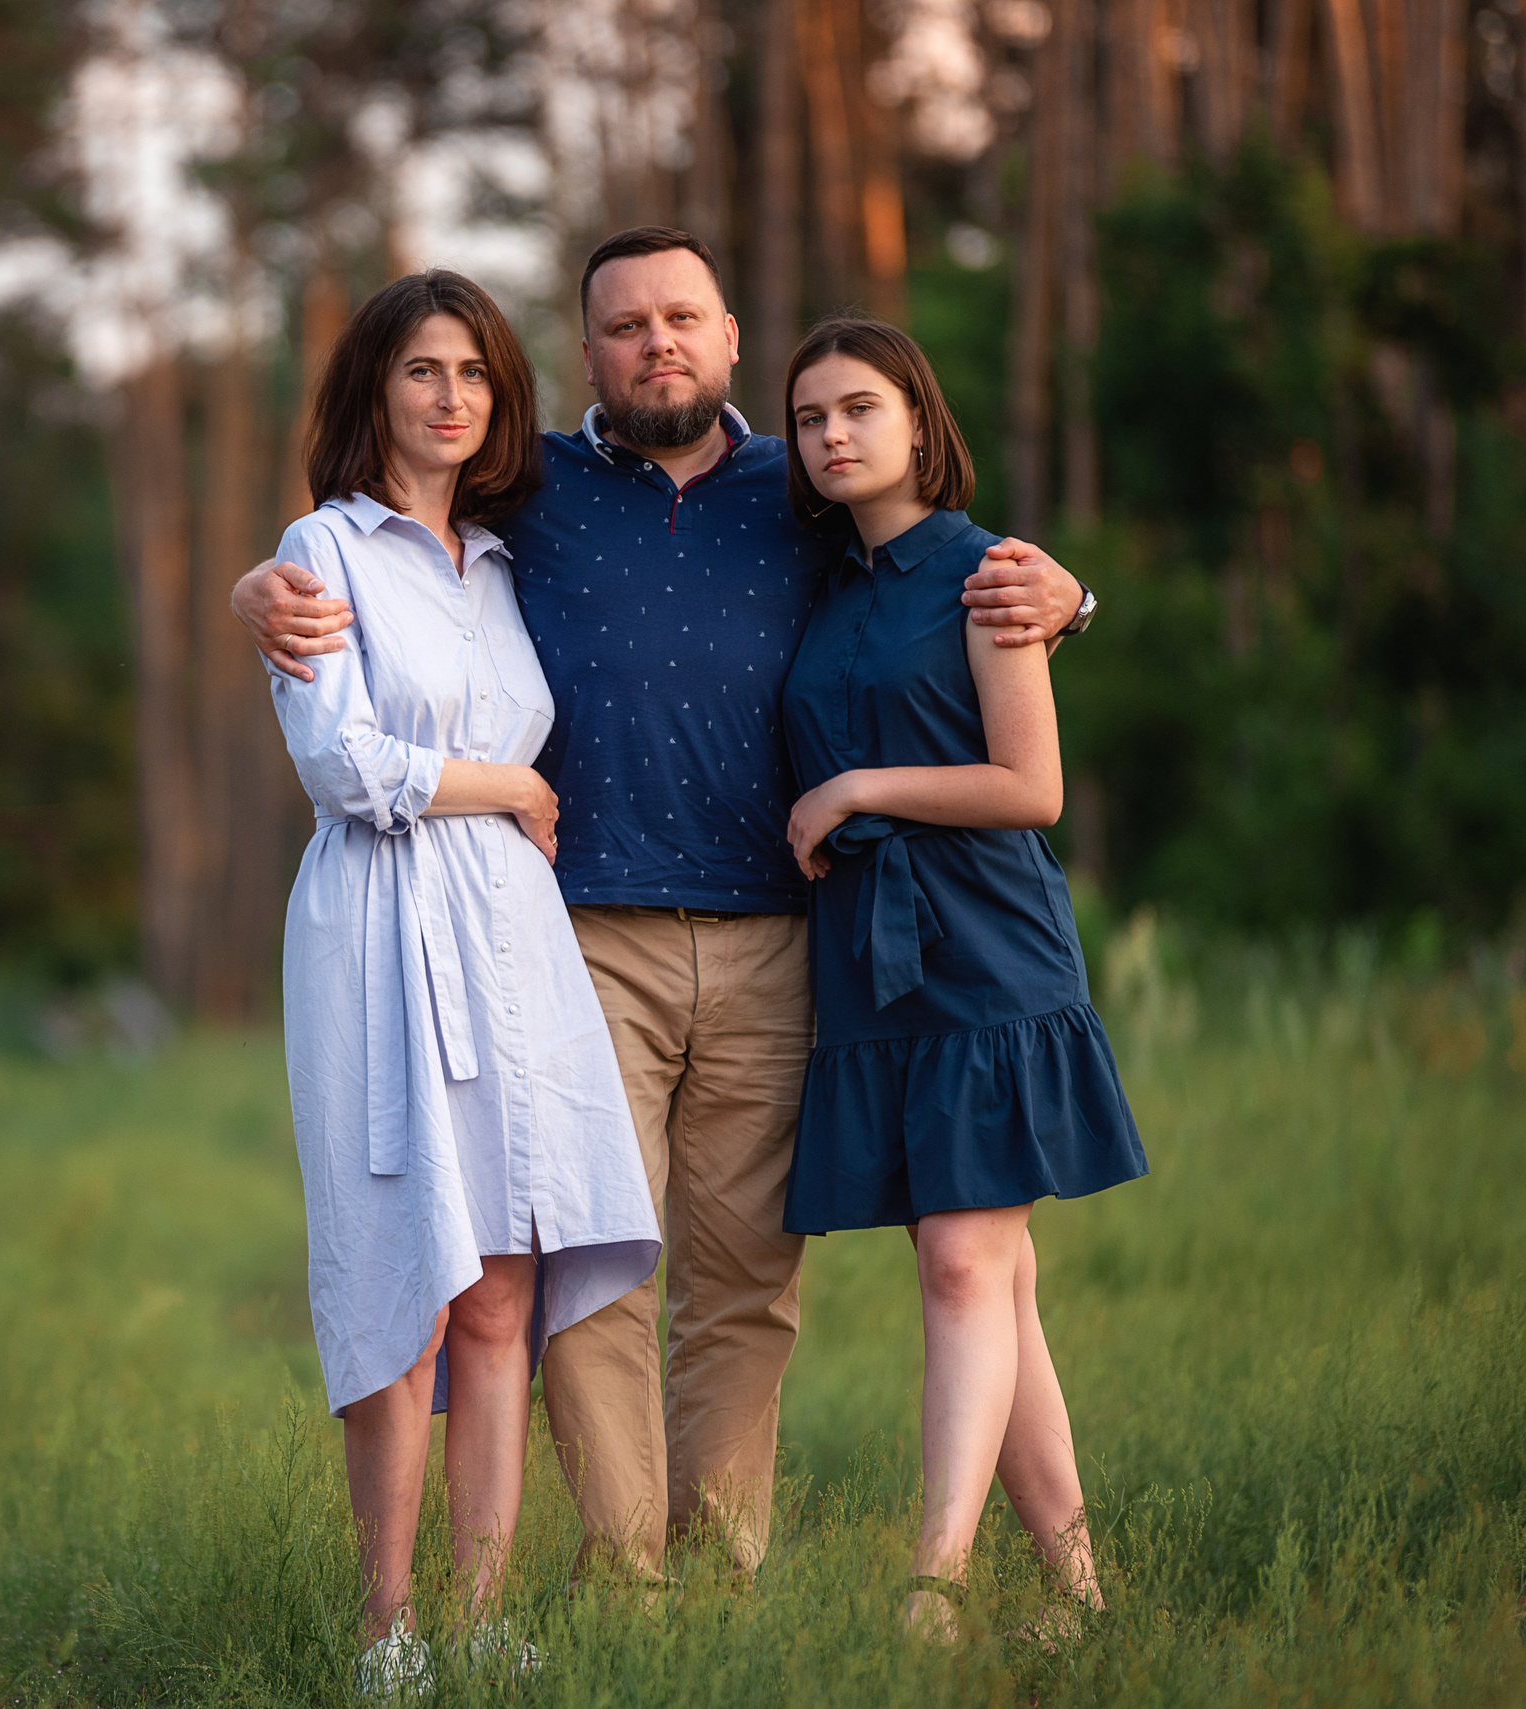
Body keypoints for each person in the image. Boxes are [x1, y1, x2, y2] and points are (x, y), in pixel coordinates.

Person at [235, 228, 1093, 1585]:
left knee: (747, 1281)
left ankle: (718, 1574)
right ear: (590, 352)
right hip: (577, 940)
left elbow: (927, 574)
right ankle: (630, 1578)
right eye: (626, 325)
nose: (657, 344)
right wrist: (260, 586)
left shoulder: (799, 484)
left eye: (681, 317)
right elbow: (398, 536)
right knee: (595, 1270)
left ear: (731, 334)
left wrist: (1070, 596)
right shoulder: (537, 486)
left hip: (777, 933)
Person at [264, 268, 661, 1693]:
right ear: (375, 384)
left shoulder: (498, 560)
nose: (451, 397)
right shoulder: (324, 549)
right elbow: (339, 762)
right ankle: (388, 1629)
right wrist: (505, 780)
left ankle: (482, 1615)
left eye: (477, 375)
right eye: (424, 369)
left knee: (503, 1289)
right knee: (406, 1285)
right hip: (378, 928)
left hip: (512, 931)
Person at [778, 317, 1145, 1639]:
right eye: (811, 416)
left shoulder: (986, 574)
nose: (832, 435)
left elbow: (1029, 785)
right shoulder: (824, 583)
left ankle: (932, 1586)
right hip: (872, 962)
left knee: (959, 1257)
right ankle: (1081, 1597)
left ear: (921, 423)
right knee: (994, 1275)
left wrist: (862, 785)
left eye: (859, 408)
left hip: (986, 943)